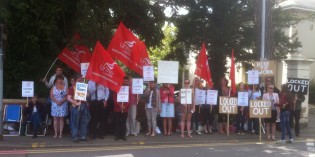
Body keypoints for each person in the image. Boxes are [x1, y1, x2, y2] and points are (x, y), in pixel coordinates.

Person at [67, 74, 91, 143]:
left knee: (84, 122)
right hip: (76, 107)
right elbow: (68, 98)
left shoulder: (84, 87)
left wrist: (87, 94)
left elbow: (88, 96)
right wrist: (75, 103)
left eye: (81, 80)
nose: (80, 81)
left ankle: (82, 136)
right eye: (79, 80)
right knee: (75, 122)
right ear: (75, 81)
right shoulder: (72, 87)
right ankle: (75, 136)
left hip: (84, 106)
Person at [50, 74, 68, 139]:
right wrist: (57, 101)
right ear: (56, 80)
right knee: (55, 118)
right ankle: (55, 133)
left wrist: (61, 101)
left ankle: (60, 133)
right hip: (55, 104)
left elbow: (67, 96)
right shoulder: (53, 87)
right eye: (59, 79)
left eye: (61, 79)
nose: (60, 80)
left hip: (63, 104)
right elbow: (51, 96)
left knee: (61, 119)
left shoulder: (65, 87)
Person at [113, 76, 130, 141]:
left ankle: (123, 135)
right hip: (117, 109)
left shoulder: (129, 89)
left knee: (123, 122)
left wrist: (125, 106)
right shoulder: (117, 88)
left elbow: (130, 99)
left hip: (125, 109)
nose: (125, 82)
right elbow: (114, 98)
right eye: (124, 81)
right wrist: (119, 105)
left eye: (126, 81)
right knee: (117, 123)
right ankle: (117, 135)